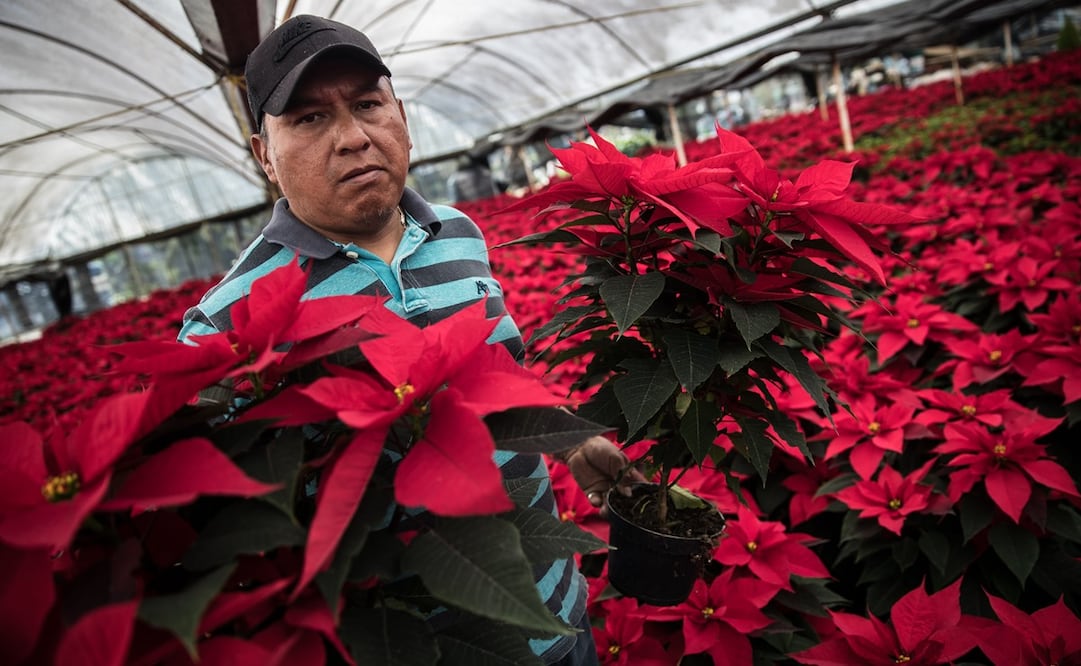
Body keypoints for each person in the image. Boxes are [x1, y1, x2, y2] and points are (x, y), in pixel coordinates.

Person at [178, 14, 634, 665]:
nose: (353, 137)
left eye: (367, 105)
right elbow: (226, 537)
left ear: (401, 117)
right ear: (263, 157)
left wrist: (569, 439)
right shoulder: (226, 323)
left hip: (561, 615)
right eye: (309, 119)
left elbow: (496, 375)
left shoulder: (457, 233)